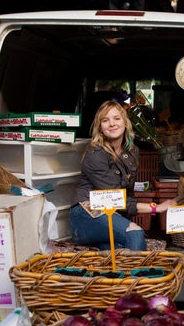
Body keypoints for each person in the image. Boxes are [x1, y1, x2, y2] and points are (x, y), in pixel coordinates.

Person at [69, 100, 176, 250]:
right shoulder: (95, 153)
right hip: (85, 214)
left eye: (117, 118)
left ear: (125, 122)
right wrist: (155, 208)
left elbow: (128, 194)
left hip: (110, 213)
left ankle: (124, 274)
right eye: (105, 121)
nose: (112, 124)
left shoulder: (132, 151)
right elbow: (116, 198)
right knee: (135, 233)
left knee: (117, 249)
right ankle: (139, 274)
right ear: (100, 127)